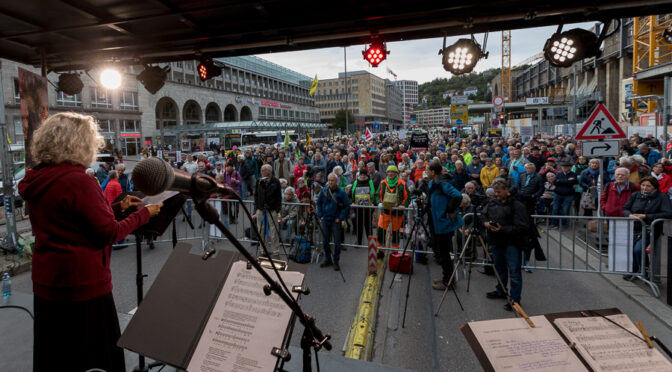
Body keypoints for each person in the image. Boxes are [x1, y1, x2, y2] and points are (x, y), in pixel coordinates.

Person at [18, 112, 163, 372]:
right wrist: (143, 214)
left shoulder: (39, 179)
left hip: (49, 285)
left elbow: (69, 219)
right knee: (93, 359)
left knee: (58, 357)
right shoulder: (79, 180)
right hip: (83, 289)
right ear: (79, 143)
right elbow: (108, 233)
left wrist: (116, 208)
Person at [482, 179, 529, 311]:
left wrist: (502, 229)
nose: (496, 194)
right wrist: (486, 224)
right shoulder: (492, 202)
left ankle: (515, 300)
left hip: (512, 243)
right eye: (495, 192)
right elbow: (482, 215)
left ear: (506, 190)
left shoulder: (517, 205)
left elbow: (522, 226)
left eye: (499, 192)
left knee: (514, 272)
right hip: (496, 241)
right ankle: (501, 290)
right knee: (499, 268)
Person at [622, 176, 672, 280]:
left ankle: (644, 270)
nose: (645, 188)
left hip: (651, 228)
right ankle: (635, 270)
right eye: (643, 185)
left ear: (654, 187)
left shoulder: (662, 197)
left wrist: (646, 216)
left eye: (648, 186)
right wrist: (629, 215)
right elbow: (625, 208)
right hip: (634, 228)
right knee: (631, 250)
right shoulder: (635, 195)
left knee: (638, 249)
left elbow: (668, 213)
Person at [427, 160, 464, 290]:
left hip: (445, 224)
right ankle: (446, 277)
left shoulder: (444, 185)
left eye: (428, 170)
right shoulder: (432, 183)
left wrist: (450, 210)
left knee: (444, 253)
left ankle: (449, 282)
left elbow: (458, 196)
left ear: (433, 172)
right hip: (437, 223)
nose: (426, 172)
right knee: (440, 252)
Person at [317, 173, 351, 271]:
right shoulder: (323, 191)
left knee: (337, 243)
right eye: (329, 180)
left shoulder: (341, 192)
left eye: (332, 180)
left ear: (337, 181)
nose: (330, 182)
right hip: (325, 220)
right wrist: (320, 215)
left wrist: (340, 218)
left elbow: (347, 206)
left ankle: (336, 261)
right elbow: (319, 203)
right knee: (325, 242)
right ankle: (328, 259)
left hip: (335, 221)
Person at [376, 165, 409, 248]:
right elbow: (377, 195)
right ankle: (381, 249)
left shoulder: (402, 184)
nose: (390, 173)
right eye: (389, 172)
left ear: (396, 173)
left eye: (393, 172)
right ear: (386, 173)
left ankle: (394, 251)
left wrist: (404, 205)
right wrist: (379, 202)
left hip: (397, 212)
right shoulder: (382, 183)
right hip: (385, 211)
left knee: (395, 232)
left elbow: (407, 197)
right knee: (381, 230)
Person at [253, 164, 282, 256]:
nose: (261, 172)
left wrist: (277, 209)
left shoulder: (275, 181)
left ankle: (275, 251)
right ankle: (263, 250)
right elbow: (256, 195)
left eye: (263, 170)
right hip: (261, 209)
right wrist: (257, 208)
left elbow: (279, 197)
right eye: (261, 170)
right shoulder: (259, 181)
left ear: (268, 171)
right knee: (261, 231)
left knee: (274, 231)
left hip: (272, 209)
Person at [350, 169, 376, 245]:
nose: (363, 176)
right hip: (358, 208)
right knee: (359, 225)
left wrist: (372, 202)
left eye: (364, 174)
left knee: (368, 225)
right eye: (361, 174)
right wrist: (353, 202)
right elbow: (352, 192)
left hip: (368, 207)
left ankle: (370, 242)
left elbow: (373, 192)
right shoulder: (355, 182)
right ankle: (359, 241)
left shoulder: (370, 182)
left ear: (366, 175)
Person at [550, 162, 578, 227]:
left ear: (570, 167)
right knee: (555, 209)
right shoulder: (559, 174)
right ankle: (554, 223)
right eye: (563, 167)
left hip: (568, 194)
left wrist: (560, 181)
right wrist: (567, 181)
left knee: (565, 210)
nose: (564, 168)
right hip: (558, 194)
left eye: (565, 167)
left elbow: (573, 181)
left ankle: (563, 224)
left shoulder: (573, 174)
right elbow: (554, 182)